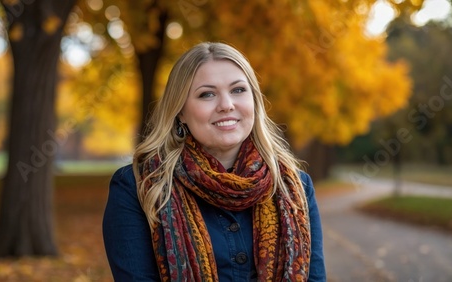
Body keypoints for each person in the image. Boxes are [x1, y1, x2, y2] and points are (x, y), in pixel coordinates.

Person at [102, 42, 326, 281]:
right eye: (207, 94)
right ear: (181, 111)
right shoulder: (138, 186)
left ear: (254, 101)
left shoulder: (294, 187)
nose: (226, 105)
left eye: (238, 90)